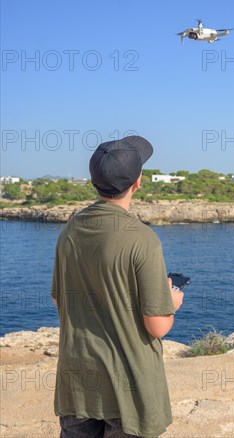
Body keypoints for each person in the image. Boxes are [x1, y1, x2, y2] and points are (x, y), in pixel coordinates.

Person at [51, 136, 184, 438]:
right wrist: (170, 301)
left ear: (94, 181)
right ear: (138, 181)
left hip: (78, 382)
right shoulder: (142, 239)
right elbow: (157, 326)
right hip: (128, 388)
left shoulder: (71, 229)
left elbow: (62, 303)